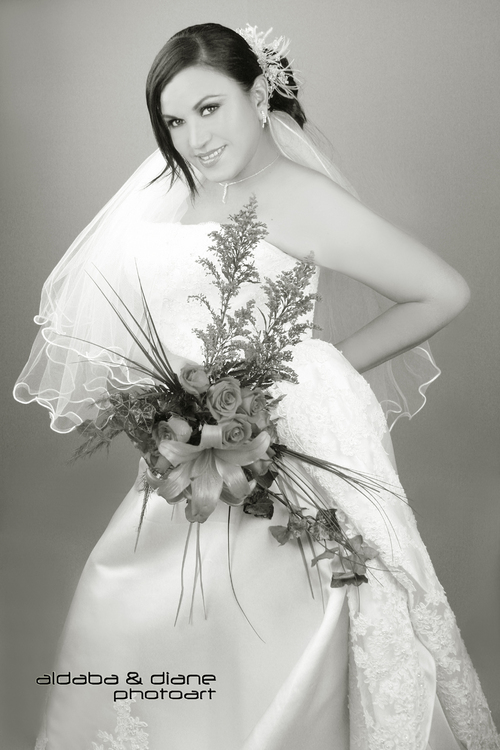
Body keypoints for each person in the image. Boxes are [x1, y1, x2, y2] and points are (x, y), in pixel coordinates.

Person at [14, 22, 499, 750]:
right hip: (193, 451)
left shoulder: (301, 196)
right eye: (175, 122)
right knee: (137, 612)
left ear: (260, 91)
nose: (194, 139)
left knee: (269, 625)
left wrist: (304, 372)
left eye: (210, 108)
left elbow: (442, 290)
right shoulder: (175, 191)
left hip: (276, 453)